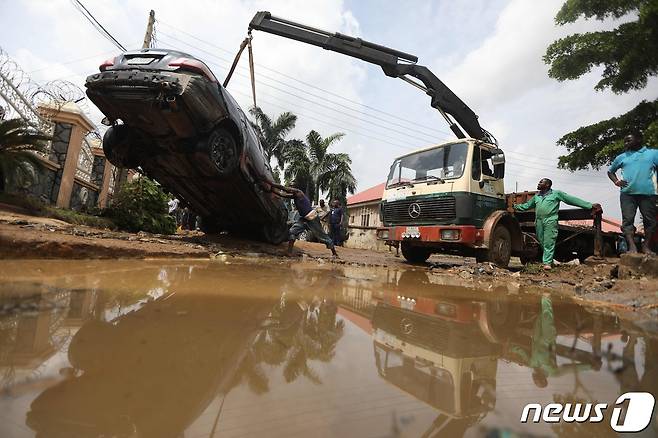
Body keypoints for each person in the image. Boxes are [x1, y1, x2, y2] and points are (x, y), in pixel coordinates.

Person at [514, 178, 601, 270]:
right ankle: (550, 261)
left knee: (549, 241)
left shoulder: (556, 194)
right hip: (539, 221)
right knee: (541, 241)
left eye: (541, 182)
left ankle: (547, 263)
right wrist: (515, 206)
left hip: (550, 220)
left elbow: (572, 200)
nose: (538, 184)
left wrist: (589, 205)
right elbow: (526, 206)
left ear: (547, 185)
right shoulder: (537, 196)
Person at [607, 132, 658, 254]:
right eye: (625, 141)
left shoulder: (653, 154)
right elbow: (610, 171)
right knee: (627, 220)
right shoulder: (622, 157)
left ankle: (646, 246)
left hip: (649, 193)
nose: (626, 143)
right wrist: (616, 181)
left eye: (628, 140)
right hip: (627, 193)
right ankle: (632, 246)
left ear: (639, 139)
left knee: (650, 220)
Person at [261, 180, 338, 257]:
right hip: (303, 218)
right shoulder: (294, 196)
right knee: (292, 232)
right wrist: (271, 190)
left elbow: (284, 189)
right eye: (290, 186)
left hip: (312, 217)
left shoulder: (299, 192)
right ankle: (289, 252)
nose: (291, 188)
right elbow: (282, 194)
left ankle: (334, 253)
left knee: (322, 236)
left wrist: (270, 183)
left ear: (295, 188)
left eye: (292, 186)